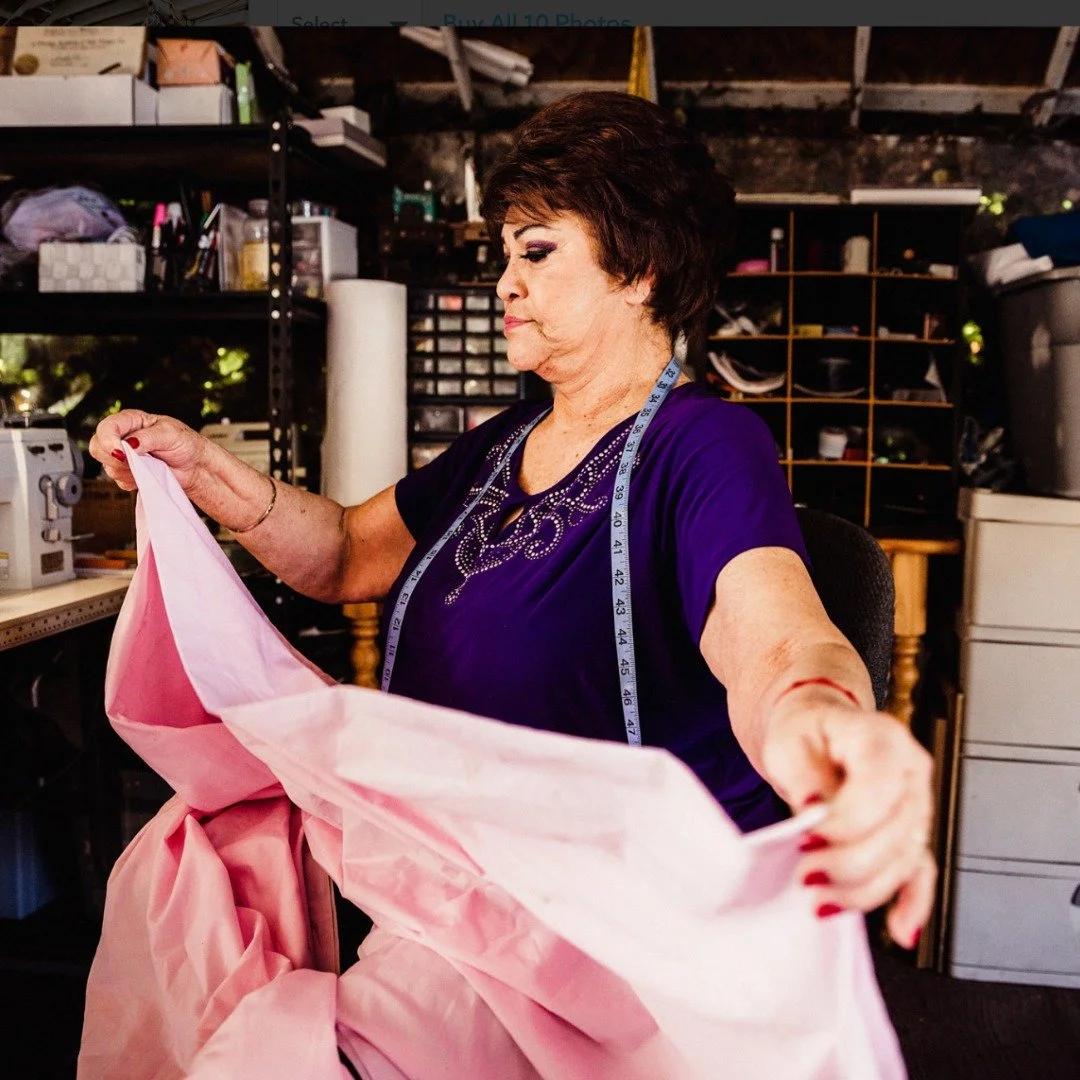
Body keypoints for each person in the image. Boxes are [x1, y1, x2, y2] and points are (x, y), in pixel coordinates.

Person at [90, 90, 935, 950]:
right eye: (504, 255)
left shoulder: (706, 444)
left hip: (612, 920)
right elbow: (344, 554)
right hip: (457, 882)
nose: (505, 283)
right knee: (191, 874)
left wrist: (827, 724)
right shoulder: (505, 442)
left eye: (536, 250)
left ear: (639, 269)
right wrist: (203, 472)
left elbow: (778, 641)